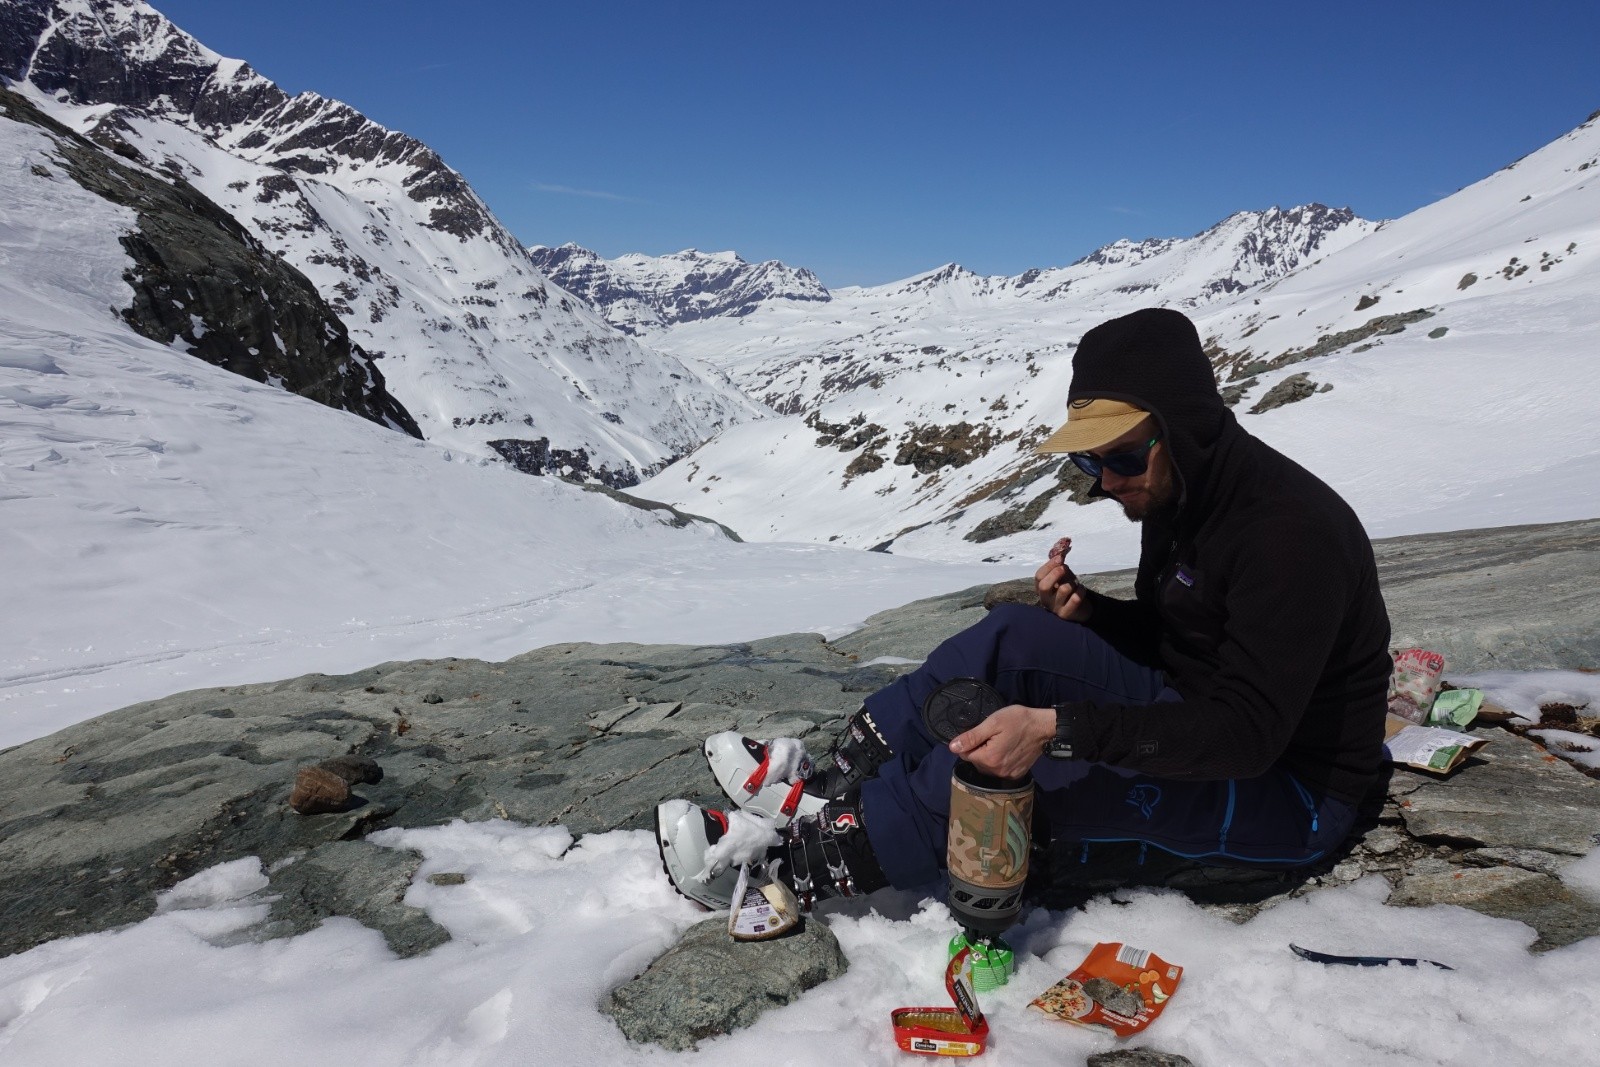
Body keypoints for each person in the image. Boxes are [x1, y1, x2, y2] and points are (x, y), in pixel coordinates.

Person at [657, 306, 1392, 911]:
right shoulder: (1182, 489)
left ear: (1185, 426)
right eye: (1089, 461)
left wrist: (1057, 728)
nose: (1106, 482)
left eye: (1121, 457)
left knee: (1011, 768)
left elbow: (1248, 734)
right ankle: (834, 787)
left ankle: (799, 866)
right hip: (1198, 709)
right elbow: (1189, 641)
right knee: (1012, 636)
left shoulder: (1288, 536)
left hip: (1290, 790)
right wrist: (1093, 615)